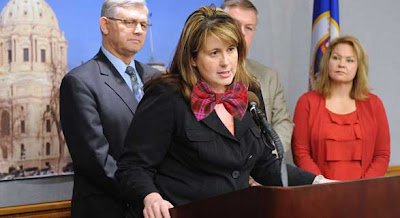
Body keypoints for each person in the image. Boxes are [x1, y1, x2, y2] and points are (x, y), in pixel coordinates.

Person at [117, 6, 332, 218]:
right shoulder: (167, 97)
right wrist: (150, 197)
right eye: (214, 53)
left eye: (231, 50)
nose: (226, 62)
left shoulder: (250, 95)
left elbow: (264, 164)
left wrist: (318, 183)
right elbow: (133, 166)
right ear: (192, 59)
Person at [60, 0, 159, 217]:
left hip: (158, 205)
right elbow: (97, 161)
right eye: (129, 22)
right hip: (110, 208)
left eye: (143, 24)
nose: (138, 30)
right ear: (105, 25)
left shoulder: (158, 79)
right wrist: (146, 193)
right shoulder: (80, 82)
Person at [291, 35, 390, 180]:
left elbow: (381, 154)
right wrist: (323, 184)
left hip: (363, 194)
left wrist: (361, 188)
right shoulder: (307, 102)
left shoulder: (374, 104)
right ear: (327, 62)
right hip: (319, 193)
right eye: (336, 58)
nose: (341, 64)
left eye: (349, 60)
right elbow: (300, 152)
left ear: (358, 67)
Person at [221, 0, 293, 154]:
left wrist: (265, 159)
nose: (242, 33)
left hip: (261, 169)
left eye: (249, 28)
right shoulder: (197, 76)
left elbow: (283, 123)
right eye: (235, 24)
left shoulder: (268, 77)